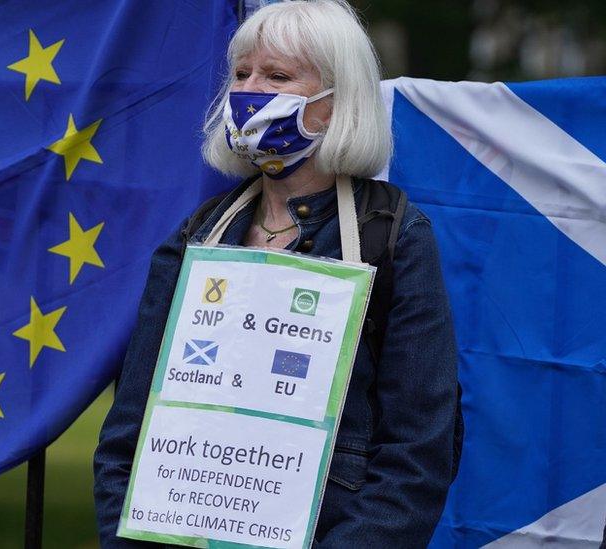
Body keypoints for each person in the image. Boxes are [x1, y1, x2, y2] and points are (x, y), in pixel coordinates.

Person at [93, 1, 460, 547]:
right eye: (242, 74)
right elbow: (130, 433)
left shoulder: (394, 237)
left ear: (337, 102)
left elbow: (418, 453)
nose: (249, 90)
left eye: (278, 76)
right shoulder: (197, 235)